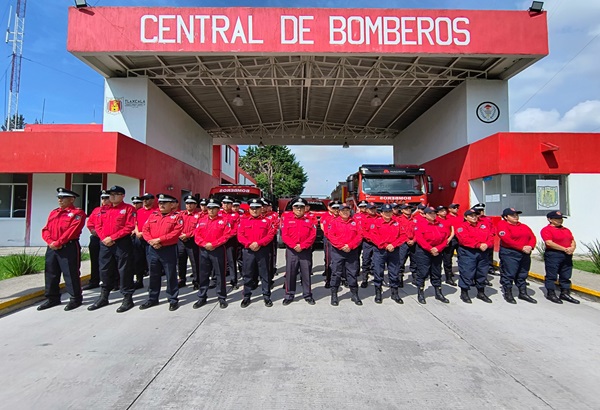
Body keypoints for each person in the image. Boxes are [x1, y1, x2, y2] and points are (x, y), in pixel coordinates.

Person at [87, 185, 137, 313]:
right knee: (104, 269)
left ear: (122, 196)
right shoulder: (103, 210)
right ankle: (104, 296)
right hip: (105, 243)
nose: (112, 196)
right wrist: (104, 238)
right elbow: (98, 225)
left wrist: (113, 238)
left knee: (124, 270)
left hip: (122, 243)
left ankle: (127, 298)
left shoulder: (128, 209)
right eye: (111, 194)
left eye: (115, 194)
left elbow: (129, 226)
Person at [38, 188, 87, 311]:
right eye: (59, 198)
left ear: (72, 199)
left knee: (70, 273)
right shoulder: (54, 212)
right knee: (51, 273)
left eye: (63, 198)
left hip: (68, 246)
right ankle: (52, 298)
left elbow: (72, 230)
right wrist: (50, 242)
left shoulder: (77, 213)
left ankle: (75, 298)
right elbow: (46, 229)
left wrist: (59, 242)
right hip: (52, 247)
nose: (60, 200)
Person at [139, 194, 184, 311]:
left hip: (168, 249)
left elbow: (176, 232)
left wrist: (159, 240)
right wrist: (151, 241)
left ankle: (173, 299)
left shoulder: (177, 217)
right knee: (153, 274)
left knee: (171, 275)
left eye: (165, 203)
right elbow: (145, 230)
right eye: (160, 203)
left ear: (171, 205)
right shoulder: (153, 215)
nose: (162, 205)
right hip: (153, 249)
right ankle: (152, 298)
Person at [193, 198, 232, 309]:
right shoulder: (201, 220)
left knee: (220, 274)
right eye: (209, 208)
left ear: (218, 209)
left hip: (218, 250)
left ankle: (221, 297)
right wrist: (204, 244)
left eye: (213, 208)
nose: (210, 210)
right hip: (204, 250)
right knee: (203, 274)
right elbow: (197, 235)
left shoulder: (224, 220)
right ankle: (202, 297)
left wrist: (214, 244)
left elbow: (226, 235)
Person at [238, 199, 277, 308]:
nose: (255, 210)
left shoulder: (267, 221)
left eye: (257, 208)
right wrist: (249, 244)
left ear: (261, 209)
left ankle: (266, 296)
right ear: (249, 209)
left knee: (265, 274)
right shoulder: (244, 221)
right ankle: (246, 297)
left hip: (262, 250)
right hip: (248, 251)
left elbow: (270, 235)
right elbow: (240, 235)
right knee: (248, 274)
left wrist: (259, 243)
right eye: (252, 208)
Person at [280, 198, 317, 305]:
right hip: (292, 251)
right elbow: (285, 235)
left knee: (306, 274)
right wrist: (294, 246)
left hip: (305, 251)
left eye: (301, 207)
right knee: (290, 273)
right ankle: (289, 295)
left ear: (304, 209)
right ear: (293, 208)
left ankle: (308, 295)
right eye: (297, 207)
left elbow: (312, 235)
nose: (299, 209)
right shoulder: (287, 220)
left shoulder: (309, 221)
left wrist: (303, 245)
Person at [497, 208, 537, 304]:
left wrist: (530, 246)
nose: (515, 217)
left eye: (516, 215)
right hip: (510, 253)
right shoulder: (502, 225)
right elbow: (506, 239)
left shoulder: (524, 226)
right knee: (509, 273)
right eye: (512, 215)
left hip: (524, 253)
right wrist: (521, 247)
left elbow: (532, 237)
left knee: (523, 273)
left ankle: (523, 293)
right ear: (506, 217)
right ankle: (508, 293)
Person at [327, 204, 363, 306]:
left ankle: (354, 294)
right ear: (339, 212)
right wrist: (342, 246)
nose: (345, 212)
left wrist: (350, 246)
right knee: (336, 273)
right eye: (343, 211)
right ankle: (334, 295)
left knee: (352, 273)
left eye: (347, 210)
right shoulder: (333, 222)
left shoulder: (355, 222)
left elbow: (359, 236)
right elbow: (331, 236)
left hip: (351, 252)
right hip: (338, 252)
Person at [455, 209, 494, 303]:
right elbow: (464, 239)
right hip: (468, 253)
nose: (474, 217)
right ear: (465, 217)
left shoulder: (483, 226)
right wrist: (478, 245)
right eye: (471, 215)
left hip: (483, 252)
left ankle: (481, 292)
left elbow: (491, 236)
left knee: (482, 272)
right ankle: (464, 293)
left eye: (475, 215)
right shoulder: (462, 227)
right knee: (467, 273)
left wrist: (487, 244)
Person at [413, 207, 451, 304]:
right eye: (430, 213)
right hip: (424, 252)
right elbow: (420, 239)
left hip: (437, 252)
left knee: (436, 272)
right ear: (425, 215)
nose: (432, 215)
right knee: (422, 272)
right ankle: (420, 293)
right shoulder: (420, 225)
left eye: (434, 213)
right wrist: (430, 249)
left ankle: (438, 293)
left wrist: (438, 248)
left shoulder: (440, 225)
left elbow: (445, 238)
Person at [541, 211, 579, 304]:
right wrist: (564, 249)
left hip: (567, 255)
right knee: (551, 275)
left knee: (566, 275)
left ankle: (565, 293)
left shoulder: (566, 230)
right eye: (557, 219)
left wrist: (572, 248)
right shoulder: (546, 230)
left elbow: (572, 240)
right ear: (550, 219)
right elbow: (549, 243)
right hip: (554, 254)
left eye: (561, 219)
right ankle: (551, 293)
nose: (560, 221)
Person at [371, 204, 404, 304]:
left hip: (394, 251)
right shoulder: (376, 223)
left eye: (390, 212)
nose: (388, 214)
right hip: (380, 251)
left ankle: (395, 293)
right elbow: (374, 237)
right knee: (378, 272)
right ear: (381, 213)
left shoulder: (397, 223)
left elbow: (403, 235)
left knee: (394, 272)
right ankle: (378, 293)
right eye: (386, 212)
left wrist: (393, 244)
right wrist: (386, 245)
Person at [84, 190, 113, 290]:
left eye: (106, 198)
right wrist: (92, 230)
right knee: (95, 260)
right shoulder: (97, 210)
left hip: (108, 239)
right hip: (96, 238)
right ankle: (94, 280)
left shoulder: (113, 210)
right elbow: (90, 223)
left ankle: (113, 281)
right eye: (103, 198)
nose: (104, 200)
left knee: (110, 262)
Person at [132, 193, 157, 289]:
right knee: (138, 260)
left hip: (149, 239)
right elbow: (136, 223)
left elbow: (155, 226)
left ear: (152, 200)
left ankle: (153, 282)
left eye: (147, 199)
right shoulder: (139, 211)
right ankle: (139, 281)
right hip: (139, 239)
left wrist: (144, 234)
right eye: (143, 199)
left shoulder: (155, 212)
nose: (145, 201)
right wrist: (137, 232)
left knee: (151, 261)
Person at [178, 195, 201, 289]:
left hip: (192, 241)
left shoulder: (198, 216)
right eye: (187, 203)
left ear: (195, 205)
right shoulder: (180, 214)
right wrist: (180, 235)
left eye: (191, 203)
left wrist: (187, 235)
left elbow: (198, 229)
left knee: (194, 262)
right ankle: (182, 279)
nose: (189, 205)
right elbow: (176, 226)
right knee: (181, 261)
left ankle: (196, 281)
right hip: (180, 241)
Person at [220, 195, 241, 289]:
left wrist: (226, 237)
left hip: (230, 241)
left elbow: (236, 229)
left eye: (228, 203)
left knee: (231, 260)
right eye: (224, 203)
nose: (226, 205)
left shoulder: (235, 215)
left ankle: (234, 280)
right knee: (218, 261)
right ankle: (216, 280)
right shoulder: (218, 214)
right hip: (218, 241)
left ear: (231, 205)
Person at [321, 200, 340, 288]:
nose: (336, 209)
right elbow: (324, 228)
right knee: (329, 261)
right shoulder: (326, 216)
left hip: (340, 241)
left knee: (341, 261)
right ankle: (328, 280)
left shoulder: (342, 216)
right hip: (329, 240)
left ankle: (342, 279)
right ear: (329, 208)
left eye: (337, 208)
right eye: (334, 208)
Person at [437, 205, 457, 286]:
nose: (444, 212)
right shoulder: (436, 220)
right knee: (437, 262)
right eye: (441, 211)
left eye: (445, 210)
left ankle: (448, 278)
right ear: (438, 212)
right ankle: (437, 277)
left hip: (449, 242)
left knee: (448, 261)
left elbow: (452, 230)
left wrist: (449, 238)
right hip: (439, 243)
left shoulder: (449, 219)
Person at [359, 202, 379, 288]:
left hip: (378, 244)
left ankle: (377, 280)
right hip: (367, 243)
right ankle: (364, 279)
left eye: (374, 208)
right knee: (366, 261)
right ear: (367, 210)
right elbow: (363, 231)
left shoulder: (380, 218)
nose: (373, 210)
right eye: (371, 209)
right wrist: (371, 239)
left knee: (377, 262)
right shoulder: (363, 219)